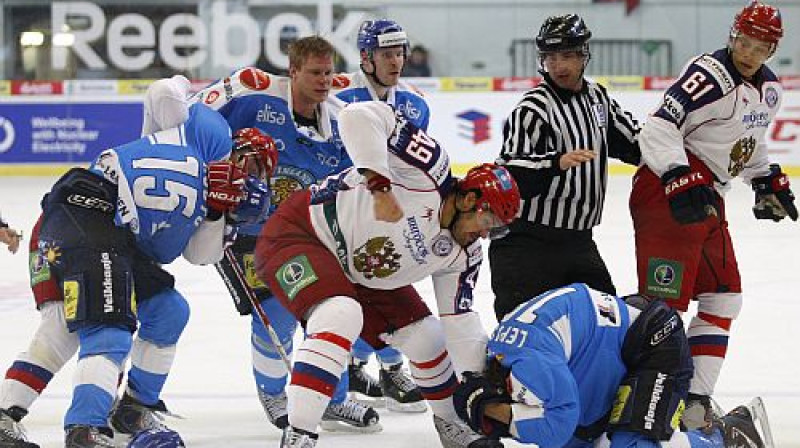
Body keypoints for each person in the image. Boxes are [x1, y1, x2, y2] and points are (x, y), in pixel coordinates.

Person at [0, 104, 276, 448]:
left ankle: (133, 409)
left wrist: (218, 212)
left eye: (257, 169)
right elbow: (165, 97)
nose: (247, 171)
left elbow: (197, 254)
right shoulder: (189, 147)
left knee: (165, 310)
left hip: (104, 237)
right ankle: (84, 429)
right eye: (247, 160)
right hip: (82, 217)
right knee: (101, 329)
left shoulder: (214, 197)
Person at [142, 36, 381, 433]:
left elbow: (355, 181)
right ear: (292, 72)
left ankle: (332, 399)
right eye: (314, 73)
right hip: (242, 230)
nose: (323, 82)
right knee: (276, 312)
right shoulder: (252, 93)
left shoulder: (342, 121)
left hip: (304, 231)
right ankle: (274, 392)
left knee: (331, 310)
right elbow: (185, 119)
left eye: (328, 73)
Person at [254, 101, 517, 448]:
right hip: (300, 233)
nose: (485, 235)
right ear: (468, 200)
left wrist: (479, 380)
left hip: (358, 273)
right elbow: (357, 115)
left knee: (429, 339)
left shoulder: (463, 253)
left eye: (495, 230)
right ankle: (299, 435)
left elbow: (461, 322)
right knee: (340, 314)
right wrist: (379, 185)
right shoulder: (428, 170)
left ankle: (454, 427)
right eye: (488, 223)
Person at [629, 0, 796, 430]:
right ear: (732, 36)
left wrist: (764, 178)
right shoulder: (709, 75)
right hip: (667, 191)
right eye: (744, 42)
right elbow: (659, 126)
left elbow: (747, 144)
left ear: (772, 49)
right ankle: (640, 406)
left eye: (761, 47)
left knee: (724, 296)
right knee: (662, 310)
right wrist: (677, 174)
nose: (749, 53)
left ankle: (695, 403)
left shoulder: (770, 90)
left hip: (707, 196)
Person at [453, 283, 773, 448]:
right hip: (620, 347)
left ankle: (727, 435)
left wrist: (495, 415)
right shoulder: (506, 352)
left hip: (654, 345)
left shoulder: (527, 366)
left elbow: (560, 424)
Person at [489, 14, 641, 323]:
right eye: (551, 57)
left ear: (584, 55)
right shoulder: (533, 108)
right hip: (526, 244)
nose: (559, 66)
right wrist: (555, 162)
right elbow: (510, 174)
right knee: (522, 336)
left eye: (568, 55)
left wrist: (678, 144)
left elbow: (635, 143)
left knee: (606, 328)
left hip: (578, 242)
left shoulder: (598, 99)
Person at [332, 18, 432, 412]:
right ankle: (358, 368)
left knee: (389, 285)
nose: (396, 61)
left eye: (400, 52)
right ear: (366, 57)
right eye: (387, 53)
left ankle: (388, 368)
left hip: (390, 212)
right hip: (341, 213)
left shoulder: (415, 102)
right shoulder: (338, 94)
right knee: (347, 296)